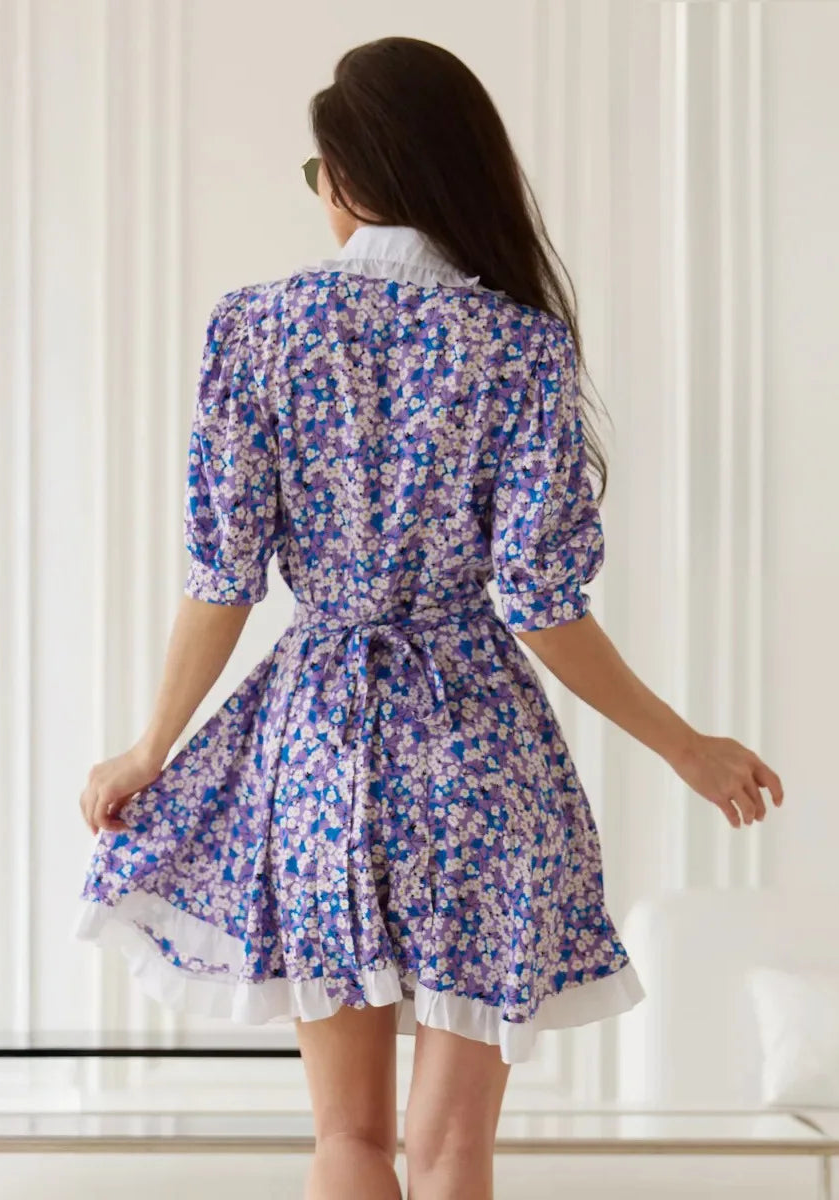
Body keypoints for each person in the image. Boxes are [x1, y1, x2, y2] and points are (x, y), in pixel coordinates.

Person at [74, 35, 784, 1200]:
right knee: (455, 1149)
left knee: (346, 1141)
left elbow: (222, 574)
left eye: (319, 174)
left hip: (317, 749)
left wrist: (150, 747)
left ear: (350, 177)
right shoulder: (521, 345)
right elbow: (545, 609)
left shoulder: (257, 328)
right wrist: (686, 746)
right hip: (477, 753)